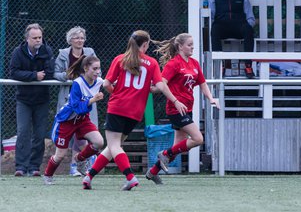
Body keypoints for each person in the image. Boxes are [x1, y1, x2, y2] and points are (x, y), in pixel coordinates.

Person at [81, 30, 186, 191]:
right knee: (113, 146)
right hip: (135, 111)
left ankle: (130, 177)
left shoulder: (120, 59)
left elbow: (106, 84)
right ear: (145, 45)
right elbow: (160, 86)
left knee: (114, 145)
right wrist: (175, 100)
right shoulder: (152, 63)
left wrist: (117, 92)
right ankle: (89, 177)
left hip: (118, 107)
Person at [146, 33, 220, 185]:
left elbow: (202, 83)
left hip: (187, 108)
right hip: (175, 109)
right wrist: (173, 99)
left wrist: (211, 98)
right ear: (180, 46)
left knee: (177, 148)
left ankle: (153, 172)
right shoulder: (173, 64)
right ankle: (164, 153)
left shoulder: (194, 63)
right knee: (198, 139)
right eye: (189, 45)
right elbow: (163, 83)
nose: (192, 47)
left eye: (193, 44)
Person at [43, 55, 104, 185]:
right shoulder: (78, 83)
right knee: (60, 155)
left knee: (99, 142)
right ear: (86, 68)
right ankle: (47, 175)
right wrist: (92, 100)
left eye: (99, 68)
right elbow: (77, 108)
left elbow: (111, 84)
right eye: (95, 68)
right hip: (67, 121)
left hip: (82, 120)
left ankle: (80, 159)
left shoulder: (98, 81)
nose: (98, 72)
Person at [10, 23, 55, 177]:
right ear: (27, 39)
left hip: (42, 99)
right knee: (23, 132)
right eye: (34, 38)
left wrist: (38, 75)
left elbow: (50, 73)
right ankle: (21, 167)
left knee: (40, 133)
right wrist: (34, 76)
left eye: (40, 37)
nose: (38, 40)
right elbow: (14, 72)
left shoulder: (46, 50)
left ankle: (34, 166)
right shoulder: (18, 52)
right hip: (23, 99)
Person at [54, 26, 98, 176]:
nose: (80, 41)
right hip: (69, 98)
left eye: (82, 38)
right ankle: (73, 166)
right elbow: (56, 73)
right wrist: (68, 76)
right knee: (70, 132)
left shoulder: (90, 53)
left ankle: (82, 164)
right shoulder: (63, 55)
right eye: (76, 38)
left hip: (87, 98)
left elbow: (98, 71)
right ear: (70, 40)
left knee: (85, 134)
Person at [209, 0, 256, 79]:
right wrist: (213, 25)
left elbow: (250, 18)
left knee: (248, 30)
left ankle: (248, 66)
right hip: (222, 27)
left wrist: (248, 25)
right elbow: (211, 17)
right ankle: (220, 66)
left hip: (238, 26)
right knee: (214, 29)